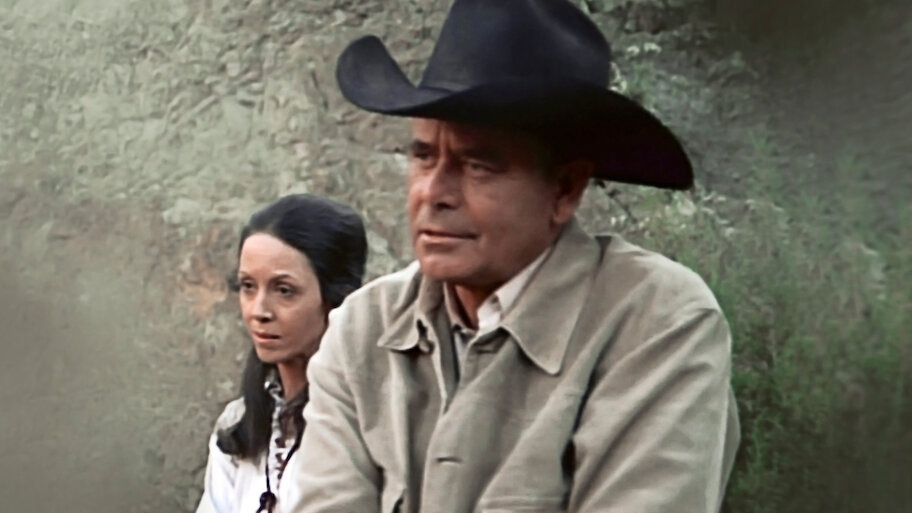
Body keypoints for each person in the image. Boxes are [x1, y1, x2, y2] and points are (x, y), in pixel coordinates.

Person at [283, 0, 740, 512]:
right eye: (423, 156)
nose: (433, 192)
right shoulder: (362, 330)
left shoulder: (657, 323)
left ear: (564, 189)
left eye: (478, 165)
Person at [194, 194, 367, 513]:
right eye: (248, 286)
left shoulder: (368, 427)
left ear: (335, 299)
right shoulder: (239, 423)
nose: (258, 311)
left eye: (284, 291)